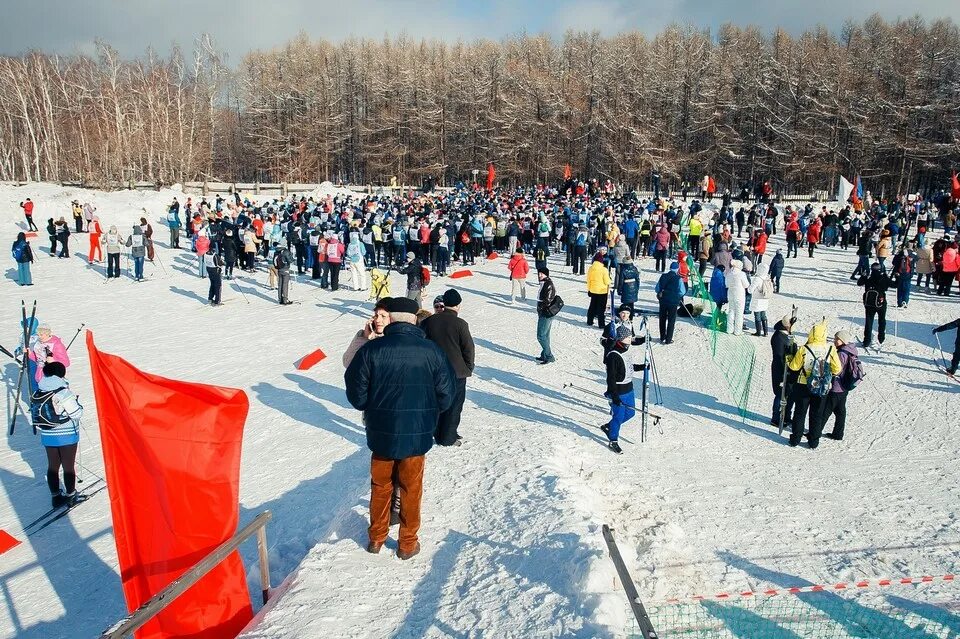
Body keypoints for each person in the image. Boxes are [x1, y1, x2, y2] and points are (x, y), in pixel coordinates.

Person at [344, 296, 455, 560]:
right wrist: (428, 411)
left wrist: (373, 406)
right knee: (411, 487)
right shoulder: (432, 351)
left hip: (380, 433)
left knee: (380, 486)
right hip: (417, 434)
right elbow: (446, 395)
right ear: (414, 319)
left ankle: (376, 537)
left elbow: (356, 396)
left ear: (390, 319)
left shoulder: (372, 351)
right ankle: (407, 543)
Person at [421, 289, 475, 447]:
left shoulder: (429, 321)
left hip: (434, 372)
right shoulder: (460, 324)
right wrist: (468, 367)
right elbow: (468, 348)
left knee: (437, 403)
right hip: (457, 372)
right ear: (458, 305)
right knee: (454, 405)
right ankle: (447, 437)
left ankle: (436, 431)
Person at [32, 362, 84, 507]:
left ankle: (55, 497)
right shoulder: (62, 391)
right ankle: (71, 495)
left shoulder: (39, 390)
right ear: (61, 374)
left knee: (52, 466)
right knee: (68, 466)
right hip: (66, 433)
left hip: (47, 433)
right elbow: (76, 413)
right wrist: (79, 405)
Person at [787, 319, 841, 449]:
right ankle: (813, 441)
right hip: (822, 385)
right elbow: (837, 369)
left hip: (803, 384)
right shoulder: (830, 349)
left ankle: (795, 439)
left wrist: (788, 358)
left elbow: (794, 367)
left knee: (800, 413)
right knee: (817, 414)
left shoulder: (804, 348)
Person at [601, 324, 636, 455]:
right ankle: (613, 440)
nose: (630, 339)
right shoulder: (613, 356)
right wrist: (614, 396)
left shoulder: (625, 352)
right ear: (621, 339)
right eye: (628, 337)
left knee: (630, 413)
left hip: (629, 390)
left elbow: (628, 367)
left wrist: (643, 366)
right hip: (619, 391)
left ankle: (609, 427)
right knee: (618, 416)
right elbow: (611, 378)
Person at [819, 331, 859, 441]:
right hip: (844, 387)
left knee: (826, 410)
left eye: (837, 339)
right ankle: (838, 433)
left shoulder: (842, 353)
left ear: (843, 340)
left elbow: (837, 370)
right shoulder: (851, 350)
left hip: (837, 386)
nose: (834, 341)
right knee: (840, 411)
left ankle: (815, 432)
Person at [343, 299, 392, 368]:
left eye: (383, 316)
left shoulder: (396, 340)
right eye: (376, 315)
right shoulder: (368, 336)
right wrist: (364, 337)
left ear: (392, 318)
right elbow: (348, 363)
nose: (377, 320)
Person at [857, 263, 894, 350]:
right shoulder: (883, 278)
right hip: (881, 302)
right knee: (882, 320)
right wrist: (897, 277)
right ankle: (881, 337)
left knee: (869, 321)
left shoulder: (869, 278)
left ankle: (867, 340)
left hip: (869, 303)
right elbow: (895, 285)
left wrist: (863, 276)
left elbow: (859, 283)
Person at [770, 313, 797, 427]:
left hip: (789, 368)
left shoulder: (786, 334)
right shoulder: (778, 337)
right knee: (780, 394)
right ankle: (776, 418)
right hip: (780, 369)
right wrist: (783, 373)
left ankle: (786, 416)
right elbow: (779, 356)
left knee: (789, 393)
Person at [654, 261, 685, 344]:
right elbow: (682, 291)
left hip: (663, 301)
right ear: (677, 269)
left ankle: (662, 336)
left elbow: (657, 289)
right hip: (673, 302)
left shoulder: (663, 276)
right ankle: (668, 339)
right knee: (671, 320)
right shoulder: (679, 279)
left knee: (662, 318)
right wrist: (676, 295)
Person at [536, 268, 558, 364]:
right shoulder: (544, 283)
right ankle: (544, 354)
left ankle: (549, 356)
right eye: (539, 273)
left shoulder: (548, 284)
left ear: (546, 275)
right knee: (546, 335)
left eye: (542, 274)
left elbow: (547, 300)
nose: (540, 275)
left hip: (546, 313)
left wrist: (541, 308)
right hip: (544, 312)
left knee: (541, 335)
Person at [724, 259, 750, 335]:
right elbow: (746, 285)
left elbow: (727, 284)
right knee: (739, 313)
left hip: (730, 294)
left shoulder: (729, 273)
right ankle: (738, 331)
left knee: (731, 311)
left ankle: (729, 329)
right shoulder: (741, 274)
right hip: (740, 295)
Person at [748, 261, 773, 336]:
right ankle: (766, 332)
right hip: (765, 299)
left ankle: (758, 332)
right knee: (763, 315)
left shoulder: (757, 279)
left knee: (757, 316)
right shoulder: (767, 277)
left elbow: (750, 290)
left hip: (757, 300)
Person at [586, 256, 611, 329]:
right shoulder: (604, 270)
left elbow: (588, 280)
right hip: (602, 291)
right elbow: (607, 281)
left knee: (592, 306)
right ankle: (601, 324)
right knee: (601, 308)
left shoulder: (591, 268)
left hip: (593, 290)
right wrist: (610, 280)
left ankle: (589, 321)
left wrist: (589, 289)